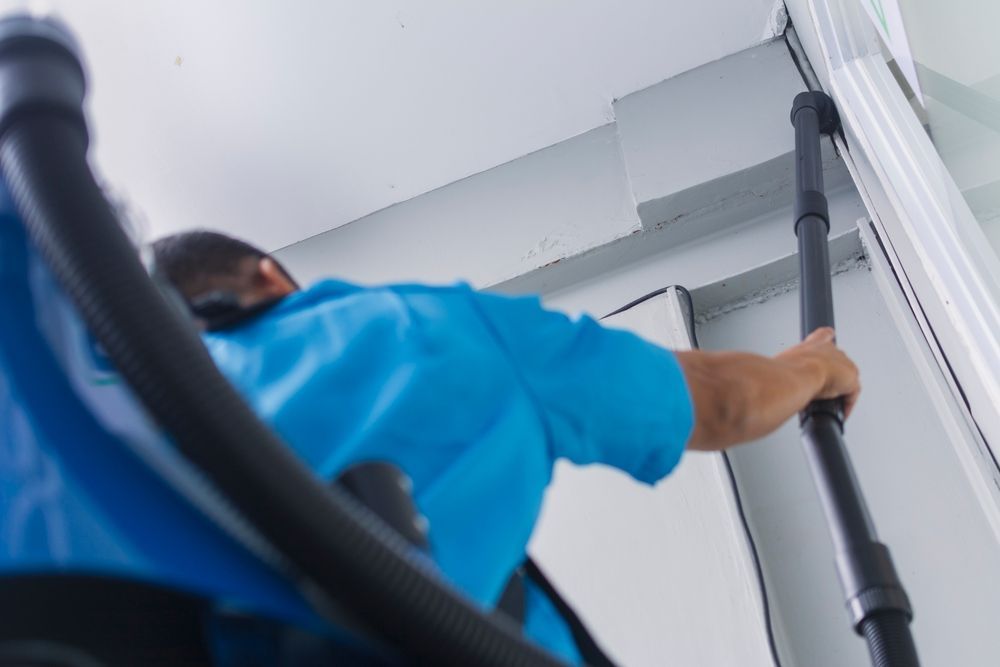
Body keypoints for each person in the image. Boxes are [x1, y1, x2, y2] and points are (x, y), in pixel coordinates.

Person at [151, 230, 860, 665]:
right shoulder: (406, 328)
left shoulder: (133, 449)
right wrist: (814, 367)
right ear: (269, 275)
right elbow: (718, 400)